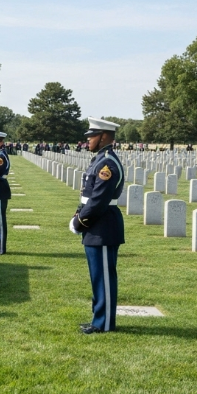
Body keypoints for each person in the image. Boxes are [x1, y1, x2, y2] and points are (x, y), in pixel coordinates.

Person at [70, 118, 125, 335]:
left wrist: (80, 221)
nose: (88, 140)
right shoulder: (99, 159)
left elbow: (99, 200)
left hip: (102, 225)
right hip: (97, 224)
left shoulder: (107, 163)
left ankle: (104, 323)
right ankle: (98, 318)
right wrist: (78, 213)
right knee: (97, 275)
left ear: (103, 137)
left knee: (103, 276)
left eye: (91, 136)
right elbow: (87, 195)